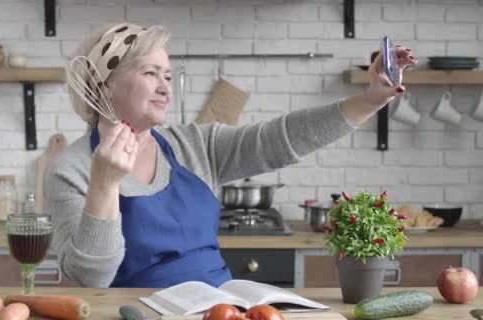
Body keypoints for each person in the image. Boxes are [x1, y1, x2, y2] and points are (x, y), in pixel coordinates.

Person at [44, 22, 417, 288]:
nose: (165, 88)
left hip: (222, 309)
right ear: (105, 86)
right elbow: (90, 278)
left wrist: (371, 99)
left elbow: (281, 138)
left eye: (169, 76)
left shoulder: (195, 145)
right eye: (150, 73)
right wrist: (105, 186)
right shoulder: (71, 169)